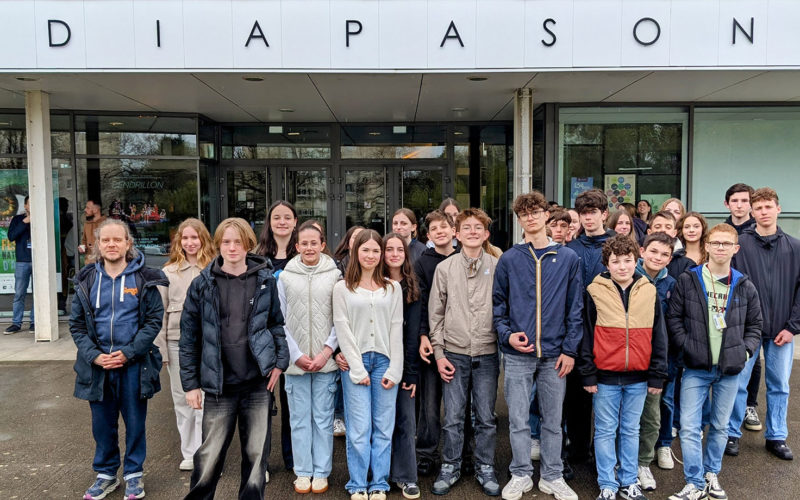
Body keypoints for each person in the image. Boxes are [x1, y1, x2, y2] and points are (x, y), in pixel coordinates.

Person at [180, 217, 288, 499]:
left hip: (257, 385)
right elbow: (189, 337)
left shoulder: (265, 280)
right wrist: (190, 384)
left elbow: (276, 324)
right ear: (217, 245)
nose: (231, 247)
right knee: (209, 458)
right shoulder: (202, 284)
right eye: (226, 242)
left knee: (255, 459)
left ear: (248, 244)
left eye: (237, 242)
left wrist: (280, 362)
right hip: (219, 387)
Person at [70, 219, 167, 500]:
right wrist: (95, 356)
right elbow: (75, 325)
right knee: (102, 424)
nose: (112, 245)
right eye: (106, 240)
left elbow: (153, 322)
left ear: (128, 243)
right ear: (98, 245)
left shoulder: (143, 279)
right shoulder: (86, 280)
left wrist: (128, 352)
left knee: (135, 422)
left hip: (135, 366)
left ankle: (134, 474)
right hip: (97, 367)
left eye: (117, 240)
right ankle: (106, 474)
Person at [494, 191, 582, 500]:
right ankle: (520, 474)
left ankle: (552, 476)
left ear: (547, 215)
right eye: (524, 214)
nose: (530, 217)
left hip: (555, 354)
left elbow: (575, 308)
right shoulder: (509, 259)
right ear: (519, 220)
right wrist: (507, 335)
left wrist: (570, 350)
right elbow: (499, 304)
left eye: (535, 211)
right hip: (518, 355)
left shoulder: (568, 258)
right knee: (518, 420)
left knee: (553, 420)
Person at [666, 223, 762, 500]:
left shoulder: (744, 284)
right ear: (706, 246)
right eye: (716, 243)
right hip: (696, 368)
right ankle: (694, 482)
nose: (720, 248)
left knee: (720, 426)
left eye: (726, 244)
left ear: (735, 248)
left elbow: (755, 324)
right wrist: (687, 347)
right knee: (689, 425)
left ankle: (711, 474)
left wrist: (743, 353)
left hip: (729, 369)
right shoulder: (689, 279)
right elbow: (674, 318)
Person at [580, 234, 668, 500]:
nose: (622, 266)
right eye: (615, 261)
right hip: (605, 377)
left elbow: (659, 335)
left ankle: (629, 481)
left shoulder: (649, 290)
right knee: (606, 430)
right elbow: (585, 334)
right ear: (606, 264)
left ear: (636, 260)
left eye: (627, 260)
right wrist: (588, 372)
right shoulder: (594, 291)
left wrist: (657, 374)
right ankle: (607, 482)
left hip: (639, 378)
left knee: (631, 429)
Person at [428, 208, 500, 497]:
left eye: (478, 228)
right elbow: (436, 314)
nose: (472, 231)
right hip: (454, 353)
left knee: (485, 416)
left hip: (487, 352)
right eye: (466, 227)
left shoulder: (498, 266)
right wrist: (439, 353)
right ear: (456, 234)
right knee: (454, 417)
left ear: (486, 234)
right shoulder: (444, 269)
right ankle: (451, 464)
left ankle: (485, 466)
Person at [726, 187, 800, 461]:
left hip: (782, 330)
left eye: (768, 207)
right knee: (738, 381)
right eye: (758, 208)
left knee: (779, 384)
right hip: (747, 330)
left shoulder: (795, 247)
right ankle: (732, 432)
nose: (763, 212)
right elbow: (730, 285)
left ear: (778, 209)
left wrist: (792, 326)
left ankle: (776, 436)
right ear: (751, 212)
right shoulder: (740, 246)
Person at [333, 229, 404, 500]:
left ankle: (379, 484)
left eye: (376, 250)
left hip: (385, 362)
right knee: (359, 427)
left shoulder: (392, 287)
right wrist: (356, 368)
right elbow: (343, 328)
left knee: (383, 428)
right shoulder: (342, 288)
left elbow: (396, 328)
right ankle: (358, 484)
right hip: (357, 362)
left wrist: (395, 369)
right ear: (355, 252)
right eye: (366, 250)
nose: (371, 255)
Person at [277, 221, 341, 495]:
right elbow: (278, 320)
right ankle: (303, 471)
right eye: (304, 243)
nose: (309, 247)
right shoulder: (285, 277)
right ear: (296, 246)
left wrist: (327, 350)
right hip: (297, 364)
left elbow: (341, 318)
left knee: (323, 418)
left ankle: (322, 471)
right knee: (300, 418)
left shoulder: (335, 275)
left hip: (325, 362)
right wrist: (297, 355)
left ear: (322, 244)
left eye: (314, 243)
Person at [155, 218, 216, 472]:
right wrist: (161, 351)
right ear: (179, 241)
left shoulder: (214, 268)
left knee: (208, 401)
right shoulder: (168, 273)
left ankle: (208, 453)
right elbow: (160, 314)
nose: (190, 243)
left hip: (209, 343)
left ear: (203, 239)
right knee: (183, 401)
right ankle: (190, 452)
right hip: (176, 342)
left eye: (195, 237)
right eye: (185, 238)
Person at [414, 209, 469, 477]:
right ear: (428, 235)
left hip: (461, 342)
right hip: (432, 340)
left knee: (462, 403)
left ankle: (463, 452)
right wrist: (423, 335)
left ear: (454, 230)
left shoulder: (465, 258)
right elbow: (421, 303)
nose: (440, 232)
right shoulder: (422, 263)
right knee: (430, 403)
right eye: (434, 229)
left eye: (444, 227)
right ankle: (426, 452)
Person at [566, 188, 614, 465]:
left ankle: (604, 454)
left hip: (608, 328)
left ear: (604, 214)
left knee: (607, 396)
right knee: (577, 396)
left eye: (593, 213)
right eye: (583, 214)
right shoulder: (571, 248)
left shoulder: (617, 245)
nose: (588, 219)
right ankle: (578, 450)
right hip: (576, 329)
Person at [256, 200, 298, 471]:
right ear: (269, 223)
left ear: (295, 222)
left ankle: (293, 459)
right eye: (276, 217)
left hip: (295, 340)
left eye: (287, 217)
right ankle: (262, 463)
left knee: (292, 404)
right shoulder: (257, 257)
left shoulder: (304, 253)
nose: (282, 222)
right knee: (262, 405)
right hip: (264, 340)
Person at [634, 233, 677, 491]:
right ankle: (620, 461)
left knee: (651, 416)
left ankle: (643, 462)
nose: (658, 257)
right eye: (653, 252)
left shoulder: (671, 283)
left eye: (664, 254)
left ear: (670, 258)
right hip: (627, 360)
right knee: (623, 417)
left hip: (656, 361)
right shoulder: (628, 276)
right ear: (642, 251)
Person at [382, 232, 422, 500]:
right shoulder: (372, 285)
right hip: (376, 363)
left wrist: (410, 372)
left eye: (400, 249)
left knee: (406, 421)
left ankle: (406, 476)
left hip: (405, 363)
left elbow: (412, 334)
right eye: (389, 249)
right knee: (380, 422)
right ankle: (380, 474)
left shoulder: (413, 287)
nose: (395, 254)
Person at [723, 183, 762, 431]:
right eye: (734, 201)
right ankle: (727, 408)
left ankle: (750, 405)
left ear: (750, 204)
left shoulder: (757, 231)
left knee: (752, 358)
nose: (739, 205)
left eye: (744, 201)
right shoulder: (722, 230)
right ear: (727, 204)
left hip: (751, 300)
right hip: (725, 300)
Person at [332, 225, 365, 437]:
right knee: (341, 377)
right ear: (348, 241)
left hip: (364, 334)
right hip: (343, 332)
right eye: (355, 237)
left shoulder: (374, 266)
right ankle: (337, 416)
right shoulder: (338, 267)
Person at [5, 196, 34, 334]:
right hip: (22, 261)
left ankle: (35, 321)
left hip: (39, 261)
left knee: (39, 293)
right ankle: (16, 323)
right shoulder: (17, 219)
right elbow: (11, 236)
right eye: (30, 203)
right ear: (25, 206)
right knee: (19, 294)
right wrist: (25, 221)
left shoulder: (42, 218)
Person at [648, 211, 695, 280]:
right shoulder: (637, 261)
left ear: (674, 233)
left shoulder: (687, 265)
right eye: (657, 227)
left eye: (668, 227)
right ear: (649, 232)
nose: (663, 230)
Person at [79, 199, 107, 265]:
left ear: (96, 209)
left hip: (103, 263)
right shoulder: (86, 224)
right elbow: (84, 241)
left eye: (88, 208)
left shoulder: (107, 223)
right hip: (89, 264)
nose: (85, 210)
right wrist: (82, 248)